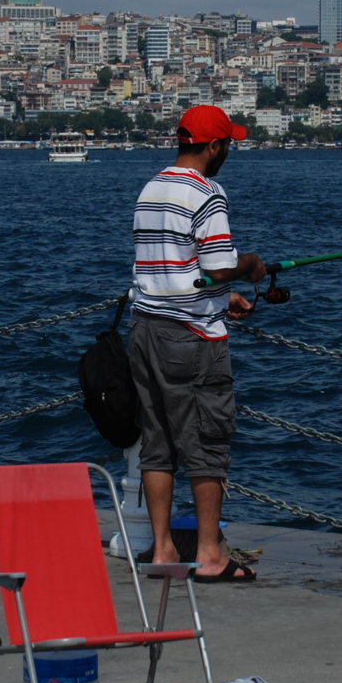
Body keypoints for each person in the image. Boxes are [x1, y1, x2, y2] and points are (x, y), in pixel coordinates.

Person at [128, 105, 265, 583]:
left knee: (158, 443)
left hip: (145, 328)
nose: (228, 152)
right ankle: (210, 556)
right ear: (213, 146)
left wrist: (221, 296)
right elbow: (220, 262)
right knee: (208, 440)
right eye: (227, 144)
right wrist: (249, 267)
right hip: (191, 337)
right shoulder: (208, 193)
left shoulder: (152, 188)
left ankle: (163, 551)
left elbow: (177, 268)